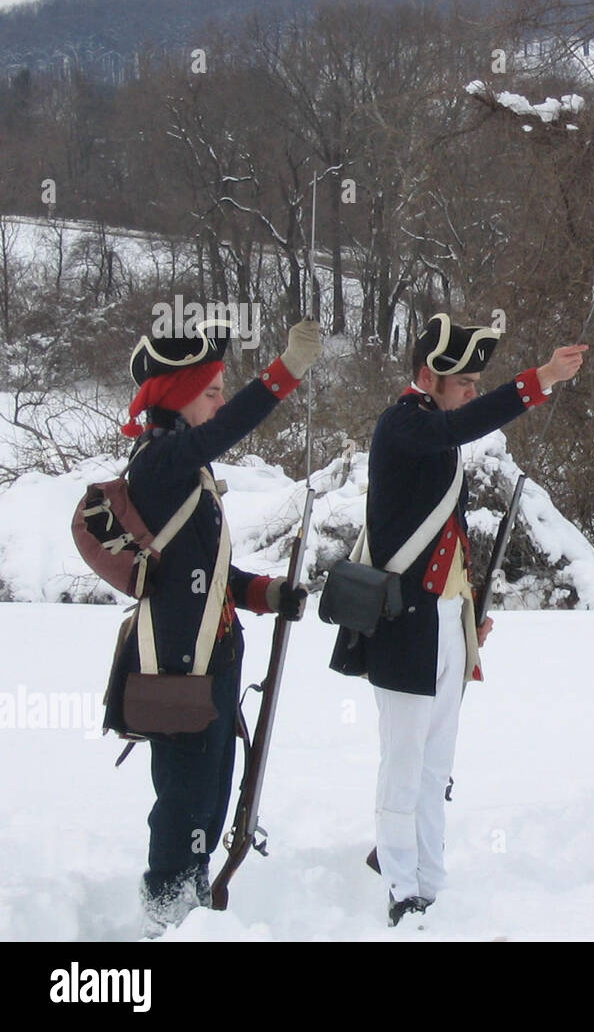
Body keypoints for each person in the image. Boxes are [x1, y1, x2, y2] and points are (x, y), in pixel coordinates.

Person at [364, 313, 586, 926]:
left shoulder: (434, 430)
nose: (470, 390)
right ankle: (401, 885)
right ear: (431, 376)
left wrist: (464, 618)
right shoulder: (405, 423)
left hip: (442, 621)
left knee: (435, 768)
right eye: (465, 380)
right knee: (404, 765)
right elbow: (463, 423)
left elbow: (448, 540)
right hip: (404, 624)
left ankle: (429, 882)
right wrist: (538, 379)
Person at [103, 315, 321, 935]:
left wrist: (263, 592)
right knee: (184, 807)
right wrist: (284, 373)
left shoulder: (181, 469)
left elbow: (205, 570)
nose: (221, 402)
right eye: (211, 391)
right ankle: (167, 917)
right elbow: (224, 431)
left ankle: (192, 904)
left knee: (211, 796)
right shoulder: (161, 462)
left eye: (223, 390)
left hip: (213, 665)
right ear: (176, 400)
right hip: (180, 672)